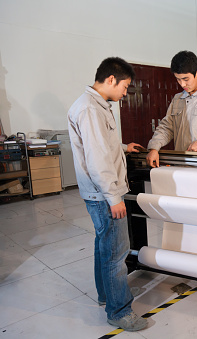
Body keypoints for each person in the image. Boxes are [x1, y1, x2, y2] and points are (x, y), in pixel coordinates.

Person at [67, 57, 148, 332]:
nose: (125, 93)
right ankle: (120, 312)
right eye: (125, 86)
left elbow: (100, 145)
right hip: (104, 195)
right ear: (111, 79)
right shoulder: (91, 109)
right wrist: (114, 197)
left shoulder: (94, 105)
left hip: (97, 193)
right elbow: (98, 159)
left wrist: (124, 147)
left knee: (104, 247)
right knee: (116, 253)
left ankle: (106, 296)